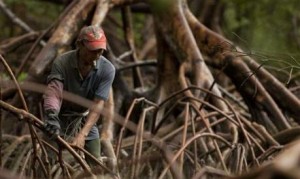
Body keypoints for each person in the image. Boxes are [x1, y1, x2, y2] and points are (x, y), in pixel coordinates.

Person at [43, 25, 115, 166]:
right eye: (93, 50)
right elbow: (54, 91)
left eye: (101, 50)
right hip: (59, 117)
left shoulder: (107, 69)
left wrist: (83, 134)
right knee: (47, 160)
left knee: (95, 163)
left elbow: (98, 104)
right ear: (79, 45)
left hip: (85, 119)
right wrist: (51, 116)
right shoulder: (62, 62)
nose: (97, 54)